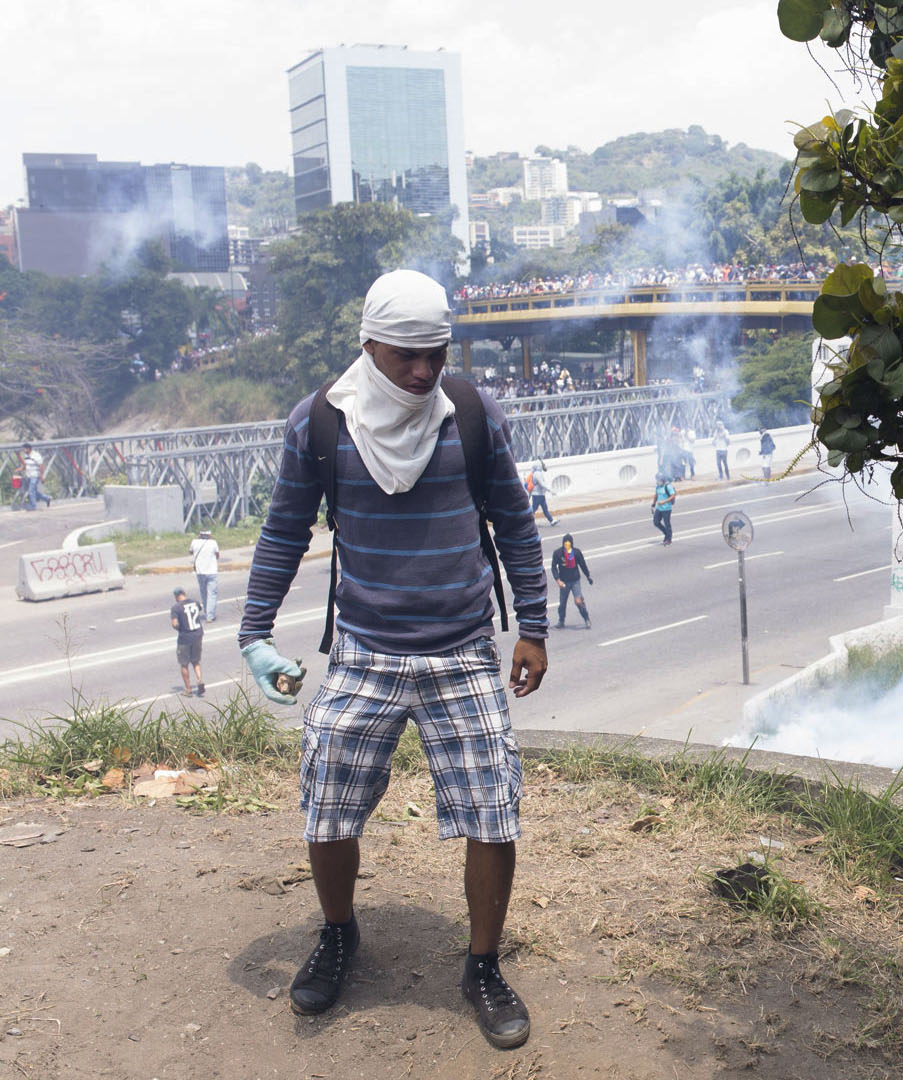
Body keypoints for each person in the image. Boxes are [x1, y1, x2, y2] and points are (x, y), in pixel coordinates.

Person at [237, 269, 548, 1051]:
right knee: (326, 797)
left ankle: (481, 965)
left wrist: (534, 627)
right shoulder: (321, 423)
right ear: (368, 344)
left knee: (493, 808)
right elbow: (283, 531)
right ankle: (339, 934)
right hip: (363, 652)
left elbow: (514, 522)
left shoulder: (470, 415)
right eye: (406, 355)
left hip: (463, 652)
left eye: (436, 354)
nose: (422, 372)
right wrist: (255, 634)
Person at [549, 534, 593, 629]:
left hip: (575, 581)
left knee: (578, 601)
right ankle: (561, 621)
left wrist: (588, 576)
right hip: (564, 581)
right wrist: (558, 580)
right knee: (562, 603)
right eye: (566, 544)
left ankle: (586, 618)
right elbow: (553, 567)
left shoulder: (576, 553)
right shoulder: (558, 553)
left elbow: (582, 564)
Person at [170, 587, 206, 696]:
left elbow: (174, 623)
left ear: (176, 596)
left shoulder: (176, 607)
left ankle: (188, 689)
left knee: (184, 664)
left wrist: (179, 628)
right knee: (196, 661)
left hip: (185, 637)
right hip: (198, 634)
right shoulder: (195, 602)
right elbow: (199, 610)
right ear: (185, 593)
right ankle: (199, 679)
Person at [190, 529, 220, 620]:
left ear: (200, 535)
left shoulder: (194, 542)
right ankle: (210, 616)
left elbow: (190, 552)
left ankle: (207, 611)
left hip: (200, 572)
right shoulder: (213, 543)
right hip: (212, 572)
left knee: (203, 593)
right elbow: (218, 555)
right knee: (212, 594)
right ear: (209, 535)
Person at [20, 443, 51, 510]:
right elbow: (25, 465)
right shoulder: (26, 455)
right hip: (29, 476)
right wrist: (20, 469)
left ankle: (33, 506)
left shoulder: (36, 455)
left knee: (31, 491)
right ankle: (47, 498)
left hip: (35, 475)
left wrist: (41, 476)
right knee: (33, 491)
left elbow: (41, 466)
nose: (23, 450)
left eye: (24, 449)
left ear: (28, 449)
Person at [526, 461, 557, 526]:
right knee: (534, 509)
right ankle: (527, 521)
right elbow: (542, 484)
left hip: (540, 494)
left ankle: (552, 521)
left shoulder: (538, 473)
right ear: (539, 466)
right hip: (537, 495)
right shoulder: (537, 474)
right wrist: (550, 490)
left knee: (544, 509)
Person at [651, 472, 676, 545]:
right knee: (656, 522)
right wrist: (653, 504)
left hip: (667, 509)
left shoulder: (668, 486)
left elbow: (672, 495)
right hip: (659, 508)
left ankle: (669, 539)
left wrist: (664, 502)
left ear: (663, 480)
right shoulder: (658, 487)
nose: (657, 481)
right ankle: (666, 533)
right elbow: (656, 495)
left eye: (659, 480)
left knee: (667, 523)